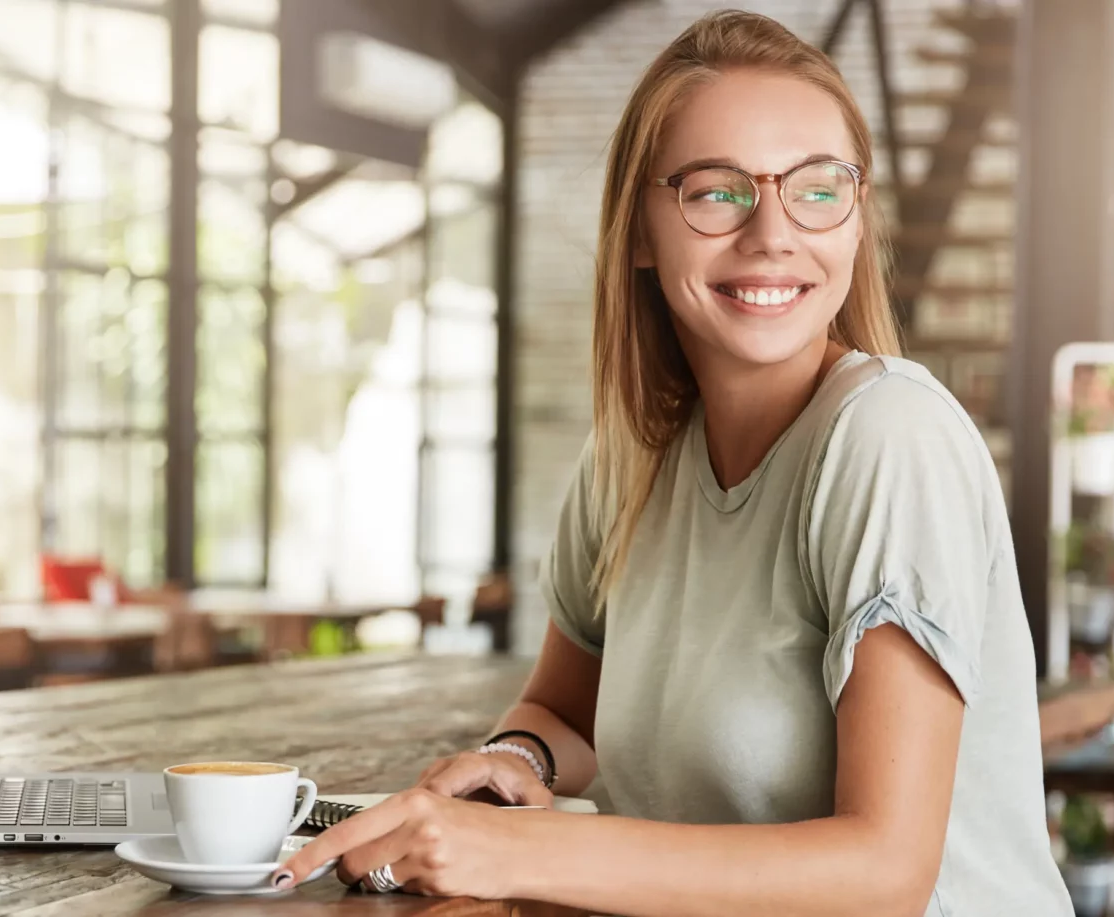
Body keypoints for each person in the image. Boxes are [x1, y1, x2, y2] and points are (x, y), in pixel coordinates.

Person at [276, 10, 1071, 915]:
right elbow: (564, 719)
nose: (772, 232)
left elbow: (884, 872)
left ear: (856, 220)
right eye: (716, 191)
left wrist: (519, 851)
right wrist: (513, 764)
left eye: (818, 187)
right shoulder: (628, 461)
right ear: (642, 230)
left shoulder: (890, 434)